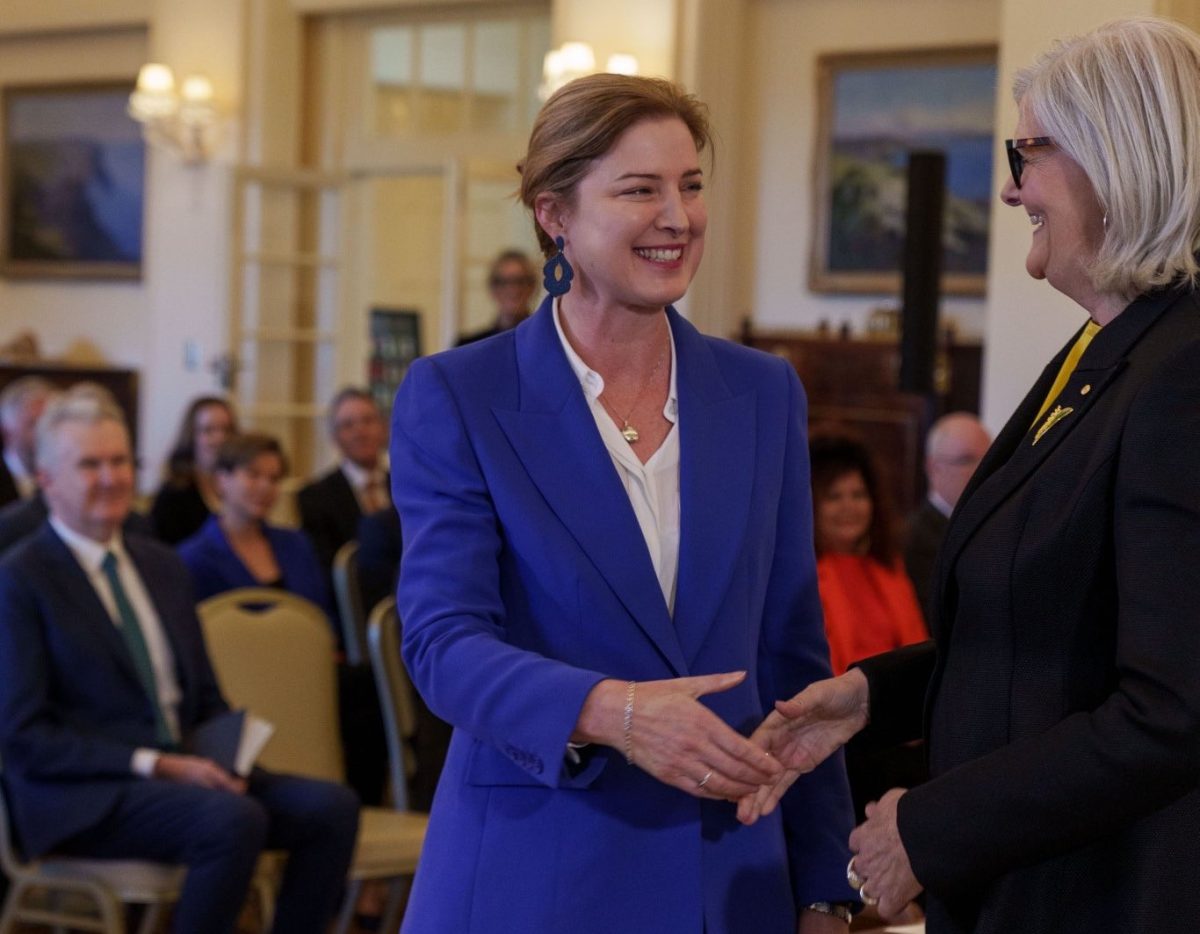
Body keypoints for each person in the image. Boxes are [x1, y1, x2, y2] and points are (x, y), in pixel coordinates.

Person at [742, 17, 1200, 934]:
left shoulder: (1182, 373)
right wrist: (874, 696)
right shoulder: (1105, 351)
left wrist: (930, 826)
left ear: (1117, 158)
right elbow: (1055, 628)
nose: (1007, 186)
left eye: (1028, 151)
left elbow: (1172, 708)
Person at [391, 74, 857, 934]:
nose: (676, 216)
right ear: (553, 213)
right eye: (639, 189)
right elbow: (442, 644)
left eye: (689, 185)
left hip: (732, 876)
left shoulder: (764, 393)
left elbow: (795, 654)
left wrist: (825, 883)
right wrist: (611, 711)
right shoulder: (458, 393)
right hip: (534, 872)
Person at [0, 390, 359, 934]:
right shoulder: (19, 579)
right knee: (231, 821)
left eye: (120, 461)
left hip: (184, 773)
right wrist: (157, 764)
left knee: (330, 808)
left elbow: (207, 700)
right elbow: (25, 736)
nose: (110, 478)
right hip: (83, 794)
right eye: (90, 464)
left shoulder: (162, 566)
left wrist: (229, 759)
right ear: (47, 479)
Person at [179, 432, 388, 807]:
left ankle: (362, 801)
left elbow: (321, 618)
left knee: (369, 688)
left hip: (305, 674)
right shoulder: (193, 558)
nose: (265, 487)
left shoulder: (295, 544)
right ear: (222, 479)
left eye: (274, 479)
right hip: (238, 683)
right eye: (253, 475)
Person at [809, 433, 927, 676]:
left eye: (858, 495)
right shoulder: (801, 576)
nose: (848, 507)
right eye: (834, 496)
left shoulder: (888, 566)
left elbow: (918, 650)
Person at [902, 413, 990, 616]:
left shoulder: (997, 528)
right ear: (934, 467)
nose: (982, 471)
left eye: (988, 459)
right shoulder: (913, 538)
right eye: (966, 460)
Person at [297, 387, 389, 577]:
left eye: (368, 421)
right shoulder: (315, 497)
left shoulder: (407, 487)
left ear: (383, 428)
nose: (360, 431)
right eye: (348, 425)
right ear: (334, 436)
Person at [150, 396, 237, 545]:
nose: (220, 438)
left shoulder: (241, 488)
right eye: (208, 430)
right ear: (192, 437)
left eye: (226, 430)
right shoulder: (173, 495)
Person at [455, 249, 538, 345]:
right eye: (504, 282)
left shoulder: (547, 341)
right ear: (492, 288)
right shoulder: (468, 346)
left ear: (533, 286)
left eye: (520, 281)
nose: (513, 290)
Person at [0, 375, 53, 507]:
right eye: (33, 424)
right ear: (7, 432)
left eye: (50, 423)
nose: (44, 433)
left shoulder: (65, 476)